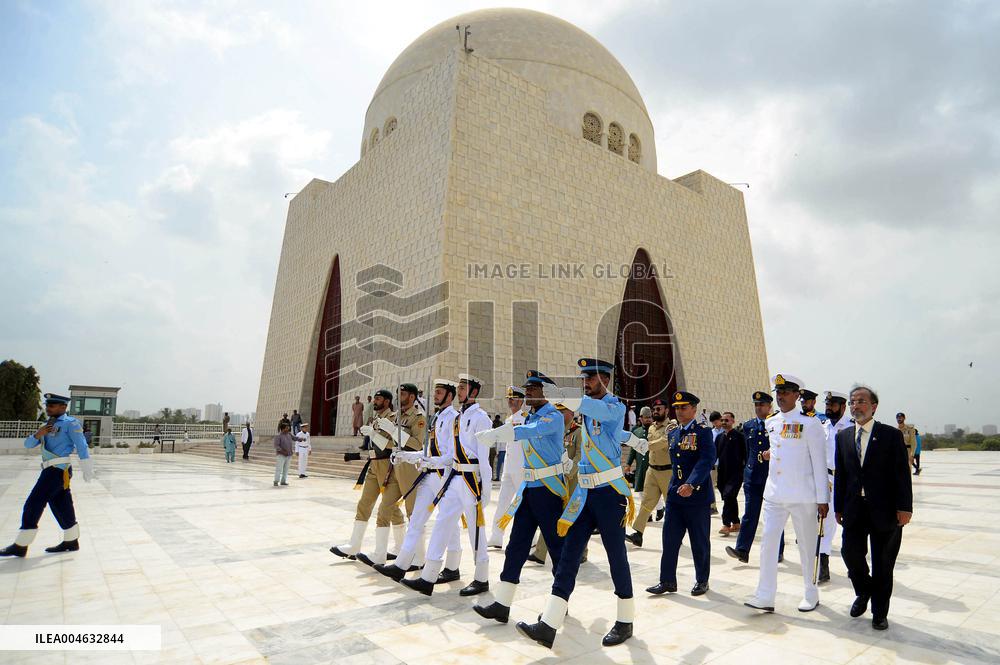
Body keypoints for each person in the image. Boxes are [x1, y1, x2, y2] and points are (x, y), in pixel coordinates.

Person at [515, 358, 634, 649]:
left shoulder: (614, 408)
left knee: (616, 556)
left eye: (591, 378)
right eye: (583, 379)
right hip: (585, 493)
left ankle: (625, 620)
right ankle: (549, 623)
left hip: (610, 494)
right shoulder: (588, 409)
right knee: (569, 556)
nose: (586, 383)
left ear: (606, 379)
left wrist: (561, 395)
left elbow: (592, 409)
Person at [474, 371, 569, 624]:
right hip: (529, 489)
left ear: (546, 392)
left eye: (533, 389)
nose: (528, 393)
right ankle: (502, 604)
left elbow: (530, 431)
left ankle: (560, 604)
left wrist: (496, 435)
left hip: (548, 490)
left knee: (557, 549)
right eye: (527, 389)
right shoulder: (529, 416)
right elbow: (521, 427)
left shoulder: (553, 416)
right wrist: (497, 432)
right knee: (516, 546)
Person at [400, 374, 492, 597]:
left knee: (476, 530)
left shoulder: (481, 418)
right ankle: (428, 577)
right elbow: (451, 455)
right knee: (442, 523)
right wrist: (429, 461)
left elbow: (484, 458)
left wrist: (486, 489)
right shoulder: (458, 418)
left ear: (474, 392)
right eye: (458, 388)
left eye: (463, 388)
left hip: (471, 480)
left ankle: (482, 578)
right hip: (455, 477)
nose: (459, 392)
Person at [745, 374, 829, 614]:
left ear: (797, 395)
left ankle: (811, 593)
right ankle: (765, 595)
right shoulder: (771, 421)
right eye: (778, 392)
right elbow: (779, 450)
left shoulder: (810, 423)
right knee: (768, 544)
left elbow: (819, 463)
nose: (780, 396)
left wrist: (822, 499)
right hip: (774, 494)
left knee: (807, 547)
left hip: (802, 495)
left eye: (785, 392)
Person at [835, 385, 913, 631]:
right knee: (850, 554)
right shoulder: (843, 436)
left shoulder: (890, 435)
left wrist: (905, 507)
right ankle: (864, 591)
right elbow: (841, 475)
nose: (855, 406)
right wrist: (838, 507)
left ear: (874, 406)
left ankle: (879, 613)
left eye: (861, 401)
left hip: (885, 510)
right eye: (852, 402)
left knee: (883, 565)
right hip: (854, 509)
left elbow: (902, 474)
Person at [374, 379, 464, 581]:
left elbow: (452, 455)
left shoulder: (454, 418)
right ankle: (401, 565)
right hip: (429, 476)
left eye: (439, 392)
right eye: (435, 392)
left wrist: (430, 461)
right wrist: (406, 456)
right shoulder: (436, 417)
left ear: (449, 395)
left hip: (444, 477)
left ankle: (452, 567)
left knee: (449, 524)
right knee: (416, 520)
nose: (435, 395)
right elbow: (427, 450)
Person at [1, 393, 96, 557]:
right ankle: (71, 540)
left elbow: (81, 445)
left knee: (34, 502)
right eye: (47, 405)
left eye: (52, 405)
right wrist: (38, 434)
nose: (48, 408)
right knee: (61, 503)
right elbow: (28, 444)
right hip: (49, 469)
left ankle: (21, 545)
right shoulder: (46, 425)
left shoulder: (70, 423)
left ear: (63, 407)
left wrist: (87, 467)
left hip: (58, 470)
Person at [645, 391, 716, 597]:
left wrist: (691, 483)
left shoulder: (703, 432)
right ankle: (667, 580)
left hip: (696, 497)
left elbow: (706, 460)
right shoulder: (673, 432)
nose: (679, 411)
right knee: (669, 540)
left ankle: (702, 580)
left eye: (684, 407)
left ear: (694, 409)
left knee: (699, 542)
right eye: (676, 408)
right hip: (675, 496)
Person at [330, 389, 404, 561]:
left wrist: (373, 434)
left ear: (387, 401)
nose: (375, 401)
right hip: (373, 464)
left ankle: (401, 547)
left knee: (391, 508)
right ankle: (354, 545)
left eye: (378, 399)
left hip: (386, 465)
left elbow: (391, 445)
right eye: (375, 398)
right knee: (364, 504)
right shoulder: (376, 419)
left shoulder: (393, 418)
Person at [364, 383, 426, 566]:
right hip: (394, 467)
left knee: (413, 513)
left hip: (410, 469)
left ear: (412, 397)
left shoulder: (418, 418)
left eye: (403, 394)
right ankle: (379, 554)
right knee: (384, 509)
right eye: (398, 394)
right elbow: (389, 444)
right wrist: (374, 435)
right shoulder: (395, 417)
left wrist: (393, 431)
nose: (399, 397)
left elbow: (417, 444)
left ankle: (419, 558)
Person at [727, 391, 785, 564]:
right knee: (750, 515)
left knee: (774, 516)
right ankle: (742, 550)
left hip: (771, 477)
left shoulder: (777, 424)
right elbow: (747, 451)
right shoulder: (748, 426)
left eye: (762, 405)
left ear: (769, 406)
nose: (758, 408)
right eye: (756, 405)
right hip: (752, 478)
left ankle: (778, 550)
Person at [531, 404, 588, 565]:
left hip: (573, 481)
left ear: (571, 412)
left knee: (575, 517)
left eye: (562, 412)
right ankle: (540, 553)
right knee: (550, 515)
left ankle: (582, 552)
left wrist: (570, 471)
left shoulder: (579, 432)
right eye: (558, 412)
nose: (560, 415)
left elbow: (580, 455)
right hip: (556, 480)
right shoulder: (555, 430)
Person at [625, 399, 672, 547]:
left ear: (666, 410)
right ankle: (638, 534)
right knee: (646, 502)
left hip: (667, 472)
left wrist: (646, 445)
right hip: (652, 470)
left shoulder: (672, 426)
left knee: (671, 505)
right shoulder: (651, 427)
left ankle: (675, 534)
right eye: (654, 409)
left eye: (659, 409)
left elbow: (665, 441)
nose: (656, 411)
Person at [487, 386, 530, 548]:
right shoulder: (508, 419)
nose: (510, 401)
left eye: (513, 398)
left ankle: (531, 540)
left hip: (521, 467)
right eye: (509, 399)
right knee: (502, 502)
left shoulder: (526, 418)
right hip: (509, 468)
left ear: (521, 400)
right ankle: (496, 537)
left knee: (524, 504)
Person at [818, 391, 852, 583]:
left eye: (833, 405)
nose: (829, 408)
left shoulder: (851, 427)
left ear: (843, 407)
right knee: (825, 523)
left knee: (851, 523)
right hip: (828, 480)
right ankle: (823, 566)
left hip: (847, 481)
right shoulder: (822, 427)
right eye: (827, 404)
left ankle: (854, 563)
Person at [716, 412, 746, 536]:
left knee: (728, 496)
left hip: (736, 473)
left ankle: (726, 524)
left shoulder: (739, 437)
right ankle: (736, 522)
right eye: (722, 420)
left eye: (726, 420)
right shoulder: (719, 437)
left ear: (733, 421)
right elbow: (715, 455)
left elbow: (745, 454)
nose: (724, 422)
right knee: (730, 498)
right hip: (722, 473)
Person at [626, 406, 653, 516]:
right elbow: (633, 450)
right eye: (646, 417)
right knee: (641, 490)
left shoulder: (655, 430)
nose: (648, 419)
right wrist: (628, 464)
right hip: (641, 467)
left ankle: (660, 508)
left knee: (654, 491)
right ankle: (647, 514)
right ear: (641, 418)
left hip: (653, 466)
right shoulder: (636, 432)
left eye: (650, 417)